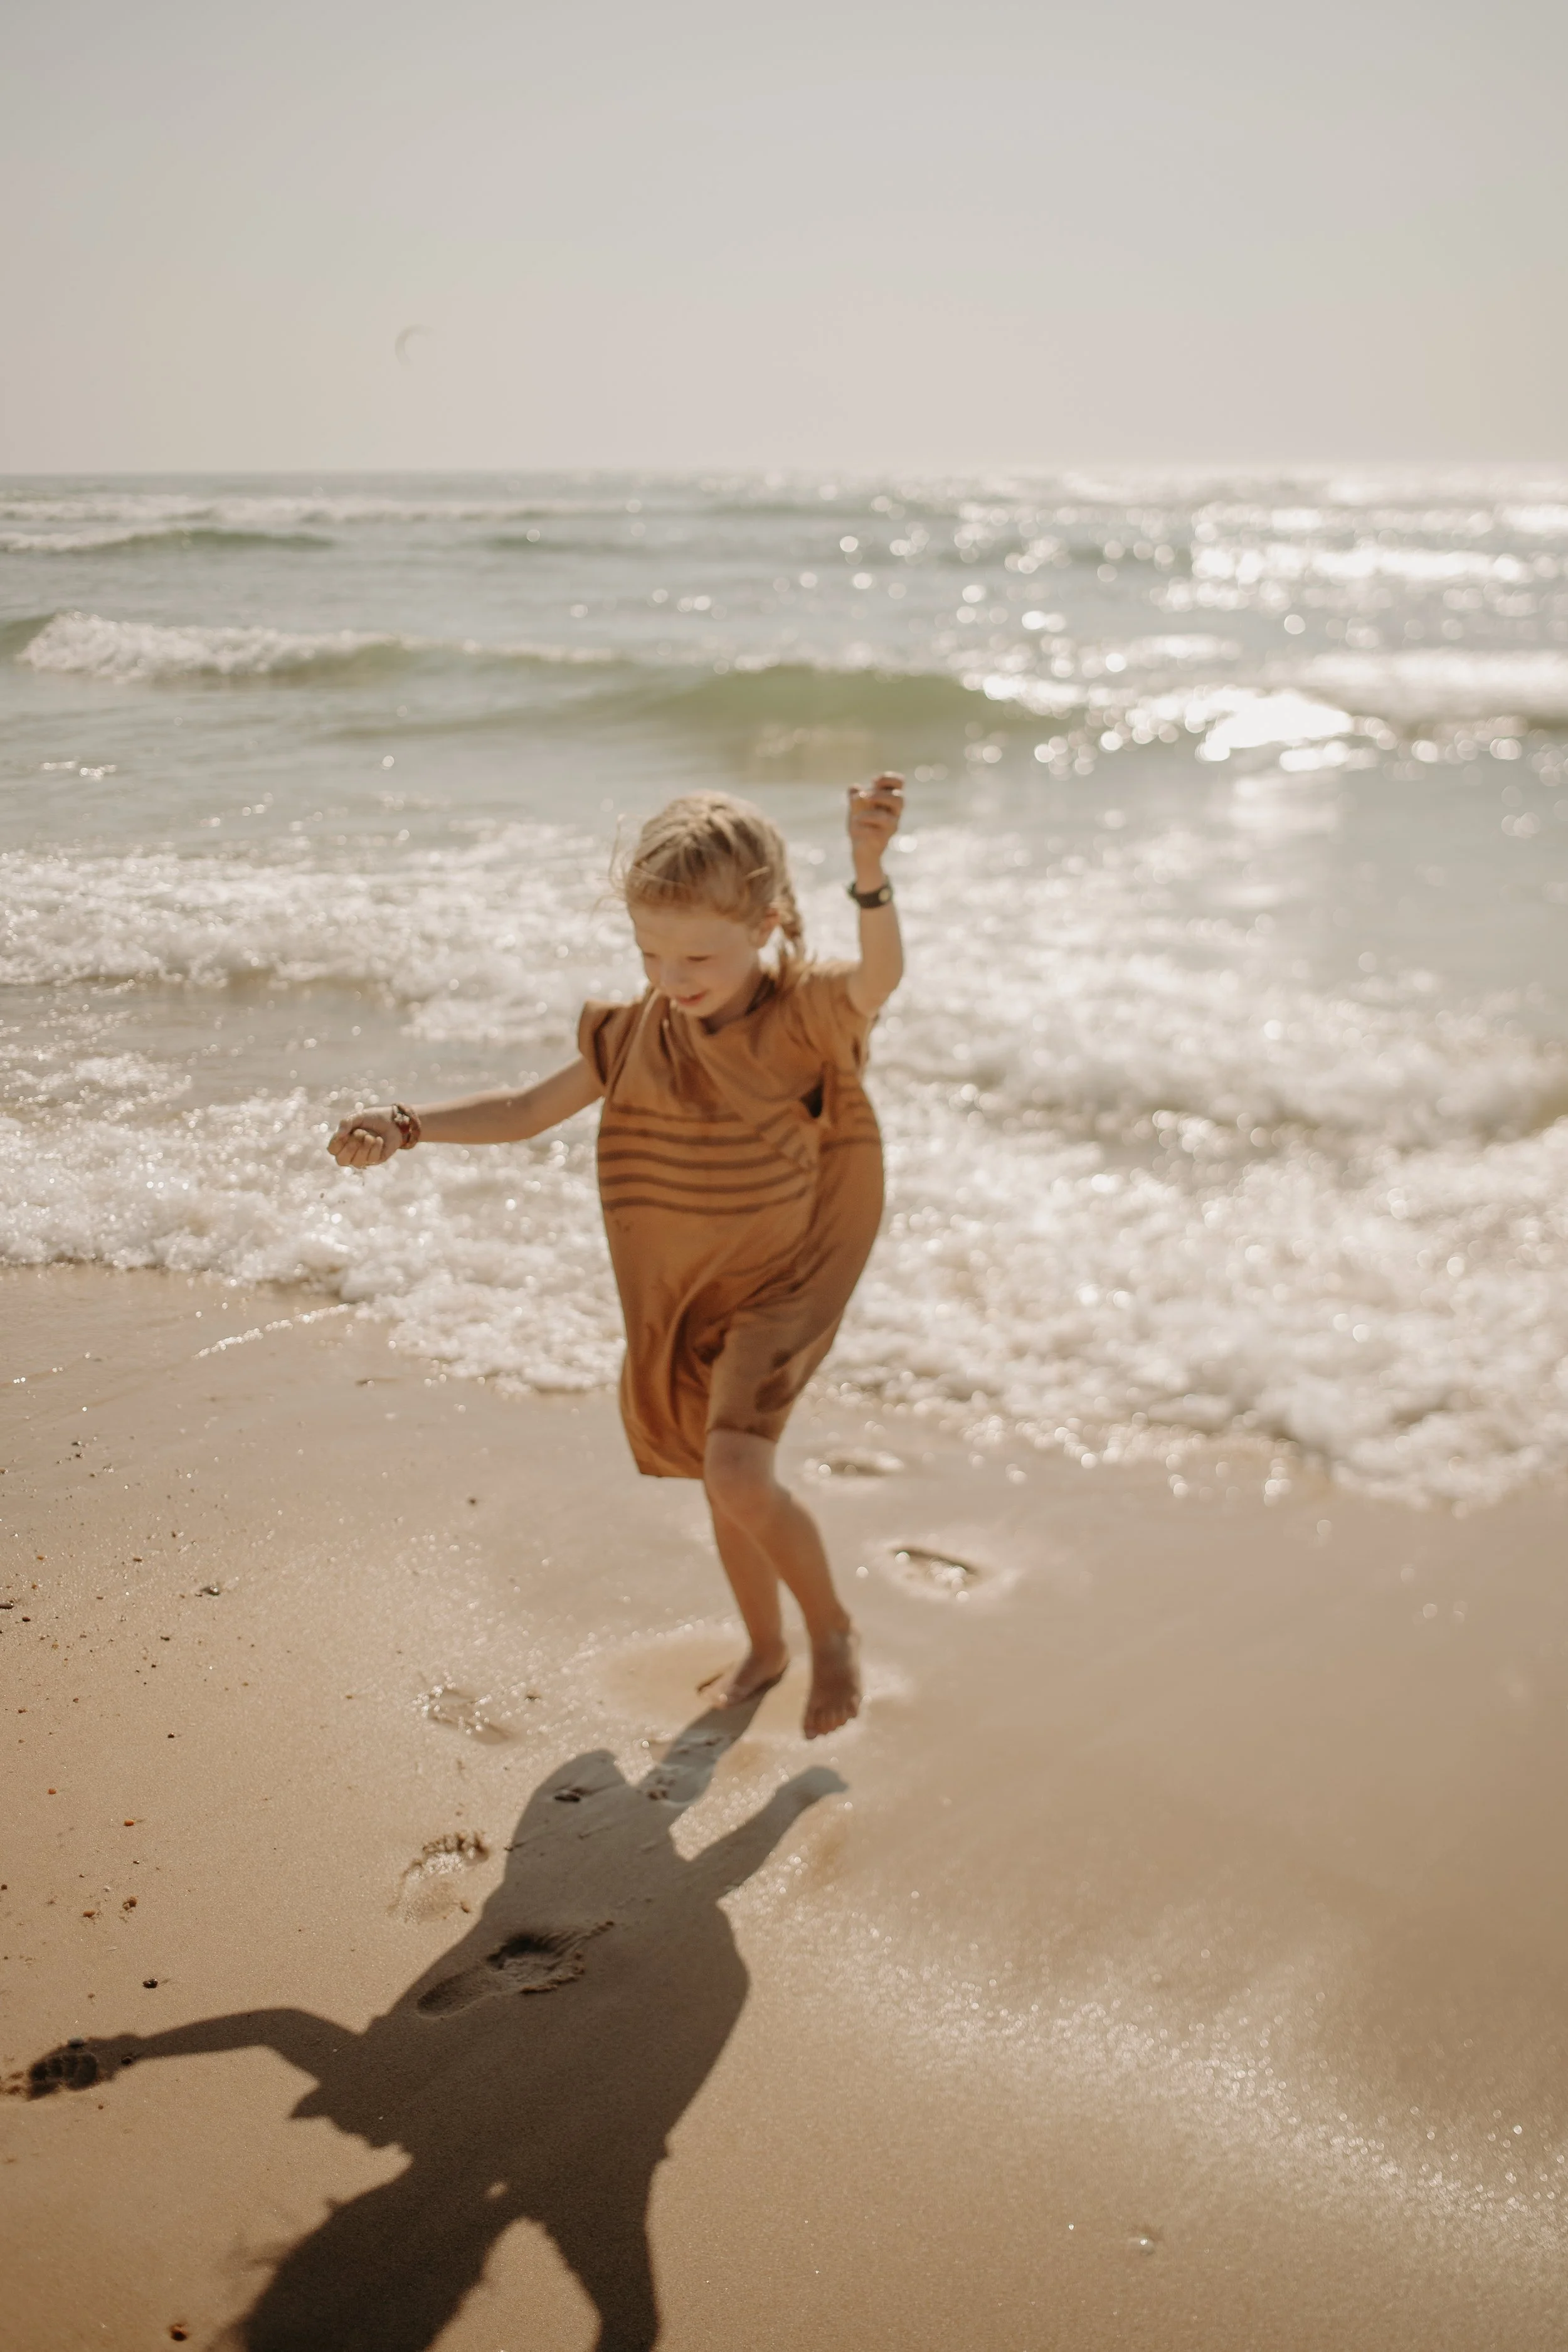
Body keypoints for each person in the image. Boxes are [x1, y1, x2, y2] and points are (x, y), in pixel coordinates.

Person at [329, 778, 906, 1738]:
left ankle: (831, 1628)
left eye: (696, 954)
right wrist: (408, 1124)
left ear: (766, 924)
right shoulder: (639, 1026)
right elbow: (523, 1110)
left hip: (786, 1281)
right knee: (722, 1473)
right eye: (649, 951)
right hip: (687, 1289)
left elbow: (879, 979)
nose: (672, 976)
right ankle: (765, 1647)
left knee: (737, 1472)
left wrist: (871, 874)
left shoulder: (803, 1016)